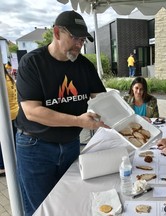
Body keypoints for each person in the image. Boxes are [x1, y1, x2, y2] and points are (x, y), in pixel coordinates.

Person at [15, 10, 109, 216]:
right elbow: (32, 112)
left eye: (83, 39)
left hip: (70, 144)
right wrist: (78, 120)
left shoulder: (84, 65)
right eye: (75, 38)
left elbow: (103, 101)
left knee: (68, 202)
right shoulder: (32, 63)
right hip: (35, 146)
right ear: (57, 33)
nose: (79, 44)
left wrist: (129, 118)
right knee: (40, 208)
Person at [0, 65, 19, 176]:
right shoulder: (8, 77)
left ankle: (3, 166)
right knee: (12, 141)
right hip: (14, 113)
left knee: (3, 144)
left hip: (6, 117)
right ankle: (12, 163)